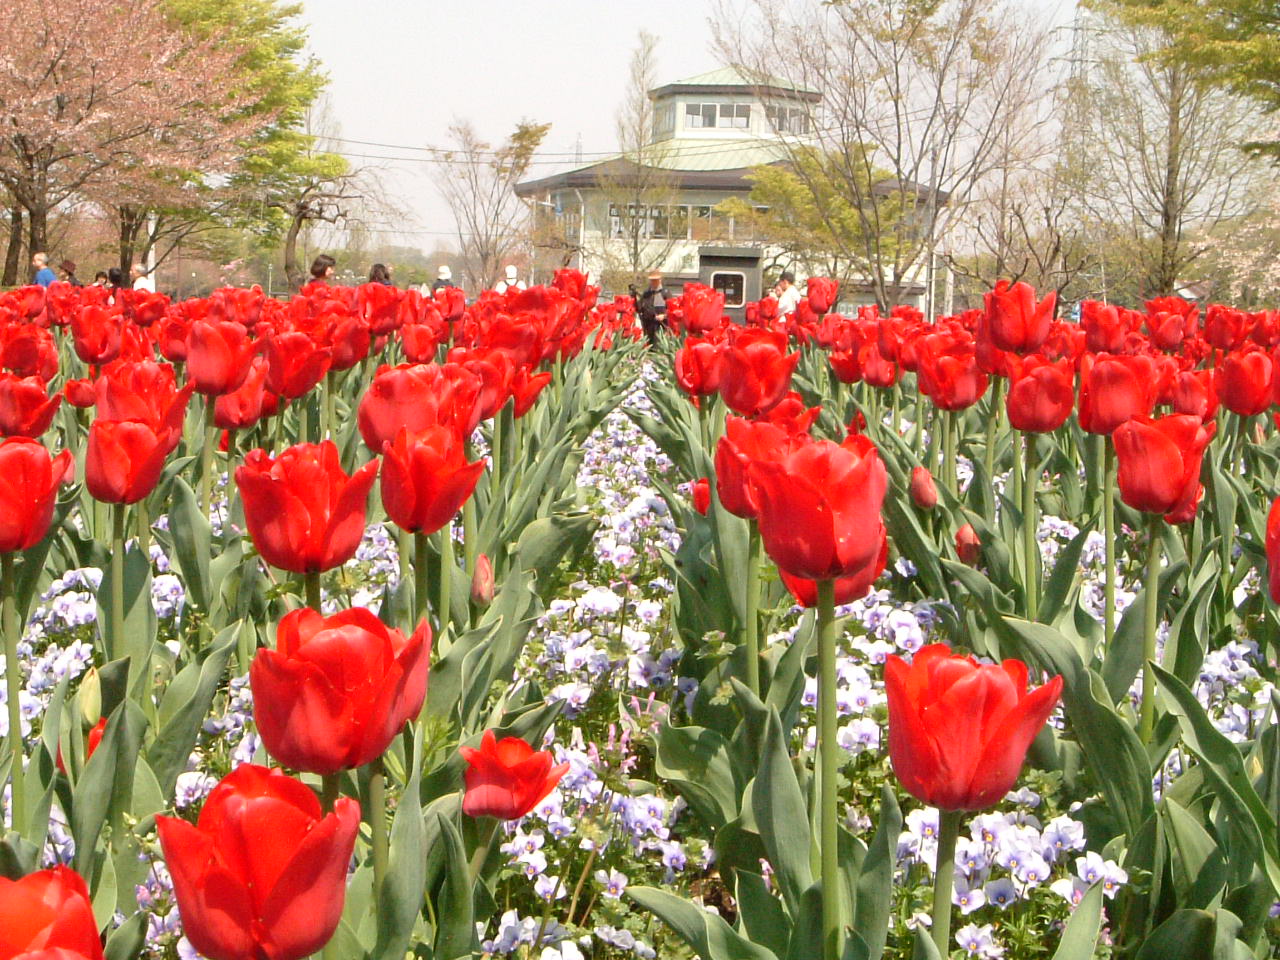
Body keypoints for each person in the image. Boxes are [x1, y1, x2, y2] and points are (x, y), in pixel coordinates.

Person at [634, 270, 668, 345]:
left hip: (661, 327)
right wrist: (634, 298)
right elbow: (639, 309)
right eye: (652, 280)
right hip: (648, 327)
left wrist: (664, 316)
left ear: (660, 280)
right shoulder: (646, 293)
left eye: (655, 280)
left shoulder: (665, 293)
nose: (653, 282)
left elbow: (672, 310)